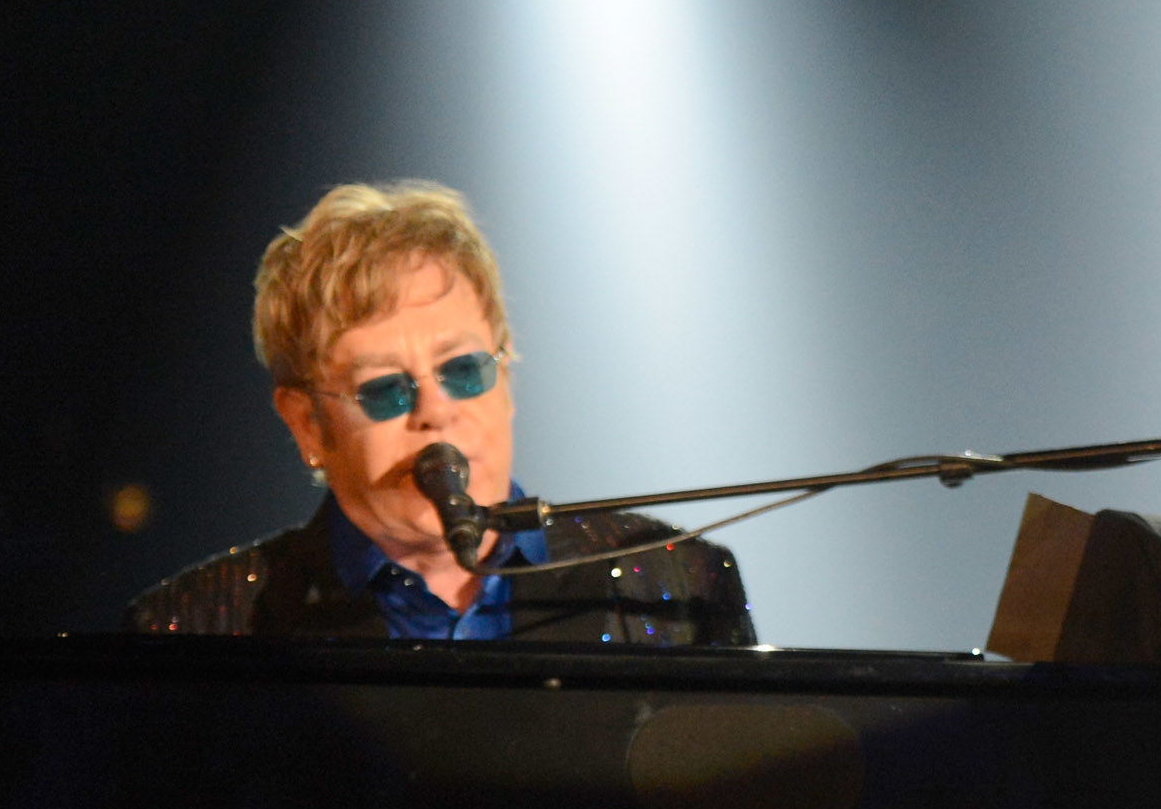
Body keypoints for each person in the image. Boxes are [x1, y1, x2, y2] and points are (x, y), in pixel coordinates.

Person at [127, 181, 754, 644]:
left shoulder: (681, 585)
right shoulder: (193, 630)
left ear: (504, 380)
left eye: (463, 371)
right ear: (307, 423)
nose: (436, 411)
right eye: (386, 389)